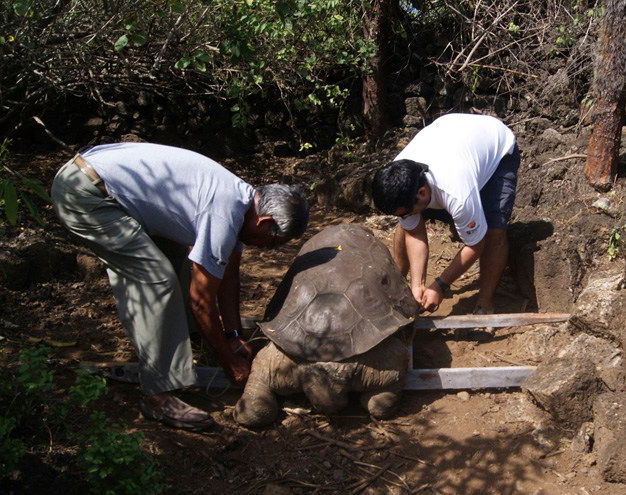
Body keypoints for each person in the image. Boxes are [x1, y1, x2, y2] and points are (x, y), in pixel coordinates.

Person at [51, 142, 309, 431]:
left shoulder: (243, 202)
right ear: (264, 221)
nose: (267, 249)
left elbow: (228, 276)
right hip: (86, 194)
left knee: (177, 257)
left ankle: (188, 337)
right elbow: (201, 299)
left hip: (103, 184)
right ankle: (158, 394)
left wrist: (233, 335)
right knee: (156, 279)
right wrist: (229, 362)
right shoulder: (224, 212)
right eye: (271, 242)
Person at [372, 113, 520, 315]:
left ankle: (484, 304)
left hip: (496, 150)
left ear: (422, 193)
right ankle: (400, 283)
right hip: (452, 138)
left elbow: (476, 244)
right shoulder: (398, 176)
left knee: (494, 230)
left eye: (405, 213)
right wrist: (418, 285)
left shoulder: (458, 195)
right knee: (405, 227)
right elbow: (414, 233)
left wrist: (440, 285)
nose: (404, 216)